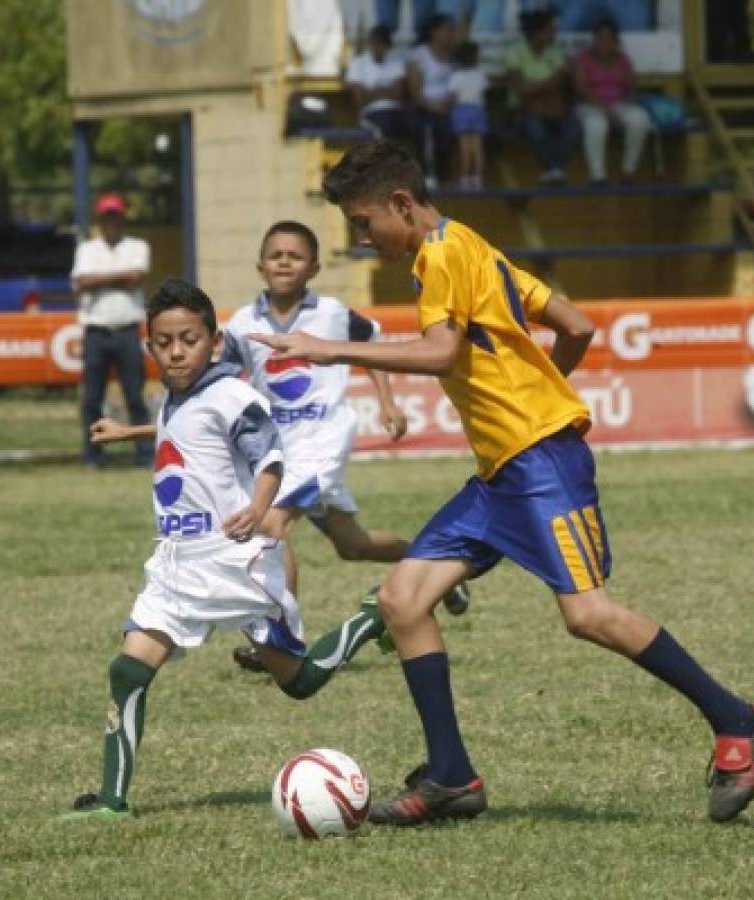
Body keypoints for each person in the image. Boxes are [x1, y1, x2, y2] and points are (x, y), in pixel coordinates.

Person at [250, 140, 754, 826]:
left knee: (587, 614)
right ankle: (451, 777)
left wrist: (330, 350)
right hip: (502, 472)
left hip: (539, 465)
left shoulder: (441, 256)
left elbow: (441, 352)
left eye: (362, 221)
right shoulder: (473, 246)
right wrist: (540, 388)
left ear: (401, 204)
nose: (360, 237)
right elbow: (575, 324)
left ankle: (739, 721)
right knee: (403, 599)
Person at [66, 278, 390, 817]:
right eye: (165, 341)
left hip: (236, 562)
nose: (176, 350)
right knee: (128, 670)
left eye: (188, 339)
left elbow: (270, 458)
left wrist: (259, 507)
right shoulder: (176, 397)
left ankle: (370, 616)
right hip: (177, 563)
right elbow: (184, 431)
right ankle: (111, 801)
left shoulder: (235, 395)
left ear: (214, 343)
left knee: (300, 683)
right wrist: (130, 433)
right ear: (149, 347)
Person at [221, 220, 469, 673]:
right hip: (278, 450)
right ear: (260, 265)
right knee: (352, 546)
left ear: (314, 267)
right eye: (275, 254)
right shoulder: (240, 324)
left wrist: (388, 400)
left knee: (271, 523)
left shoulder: (333, 313)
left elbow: (370, 343)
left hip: (322, 442)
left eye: (295, 256)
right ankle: (435, 565)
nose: (283, 262)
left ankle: (281, 639)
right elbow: (221, 380)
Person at [72, 193, 152, 469]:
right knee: (92, 399)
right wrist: (120, 276)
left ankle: (144, 455)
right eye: (107, 217)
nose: (112, 222)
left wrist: (100, 279)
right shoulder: (87, 249)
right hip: (96, 332)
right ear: (100, 220)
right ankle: (93, 455)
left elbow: (138, 278)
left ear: (122, 218)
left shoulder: (137, 246)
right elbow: (82, 282)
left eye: (115, 216)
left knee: (135, 396)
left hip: (128, 331)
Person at [574, 17, 652, 184]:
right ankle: (598, 175)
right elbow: (582, 90)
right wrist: (606, 110)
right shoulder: (584, 60)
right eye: (600, 38)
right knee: (596, 124)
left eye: (609, 38)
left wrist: (631, 99)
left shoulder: (622, 59)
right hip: (590, 105)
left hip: (618, 104)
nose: (604, 42)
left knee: (639, 118)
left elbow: (631, 86)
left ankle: (628, 171)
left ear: (616, 41)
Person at [506, 9, 580, 184]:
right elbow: (520, 89)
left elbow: (559, 85)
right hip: (523, 108)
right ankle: (552, 169)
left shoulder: (555, 52)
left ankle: (554, 169)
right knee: (535, 128)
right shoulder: (516, 52)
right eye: (550, 30)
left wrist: (534, 85)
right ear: (537, 32)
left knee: (574, 126)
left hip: (553, 105)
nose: (554, 34)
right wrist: (547, 84)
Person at [408, 15, 457, 189]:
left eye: (453, 30)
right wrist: (433, 106)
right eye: (447, 30)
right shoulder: (419, 55)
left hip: (450, 107)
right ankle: (428, 173)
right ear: (433, 32)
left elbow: (460, 84)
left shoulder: (455, 56)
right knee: (429, 126)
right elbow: (416, 91)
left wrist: (449, 104)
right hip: (426, 107)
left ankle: (449, 174)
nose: (452, 34)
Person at [345, 26, 411, 141]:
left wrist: (371, 92)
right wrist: (388, 91)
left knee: (416, 124)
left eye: (381, 44)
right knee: (386, 126)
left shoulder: (396, 63)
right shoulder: (358, 64)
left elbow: (399, 94)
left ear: (388, 46)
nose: (377, 47)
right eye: (374, 43)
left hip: (396, 110)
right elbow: (360, 98)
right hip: (371, 112)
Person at [448, 41, 489, 189]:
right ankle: (477, 178)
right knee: (477, 145)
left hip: (461, 110)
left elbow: (453, 97)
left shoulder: (456, 76)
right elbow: (483, 93)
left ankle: (465, 177)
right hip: (477, 109)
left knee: (464, 146)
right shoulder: (480, 75)